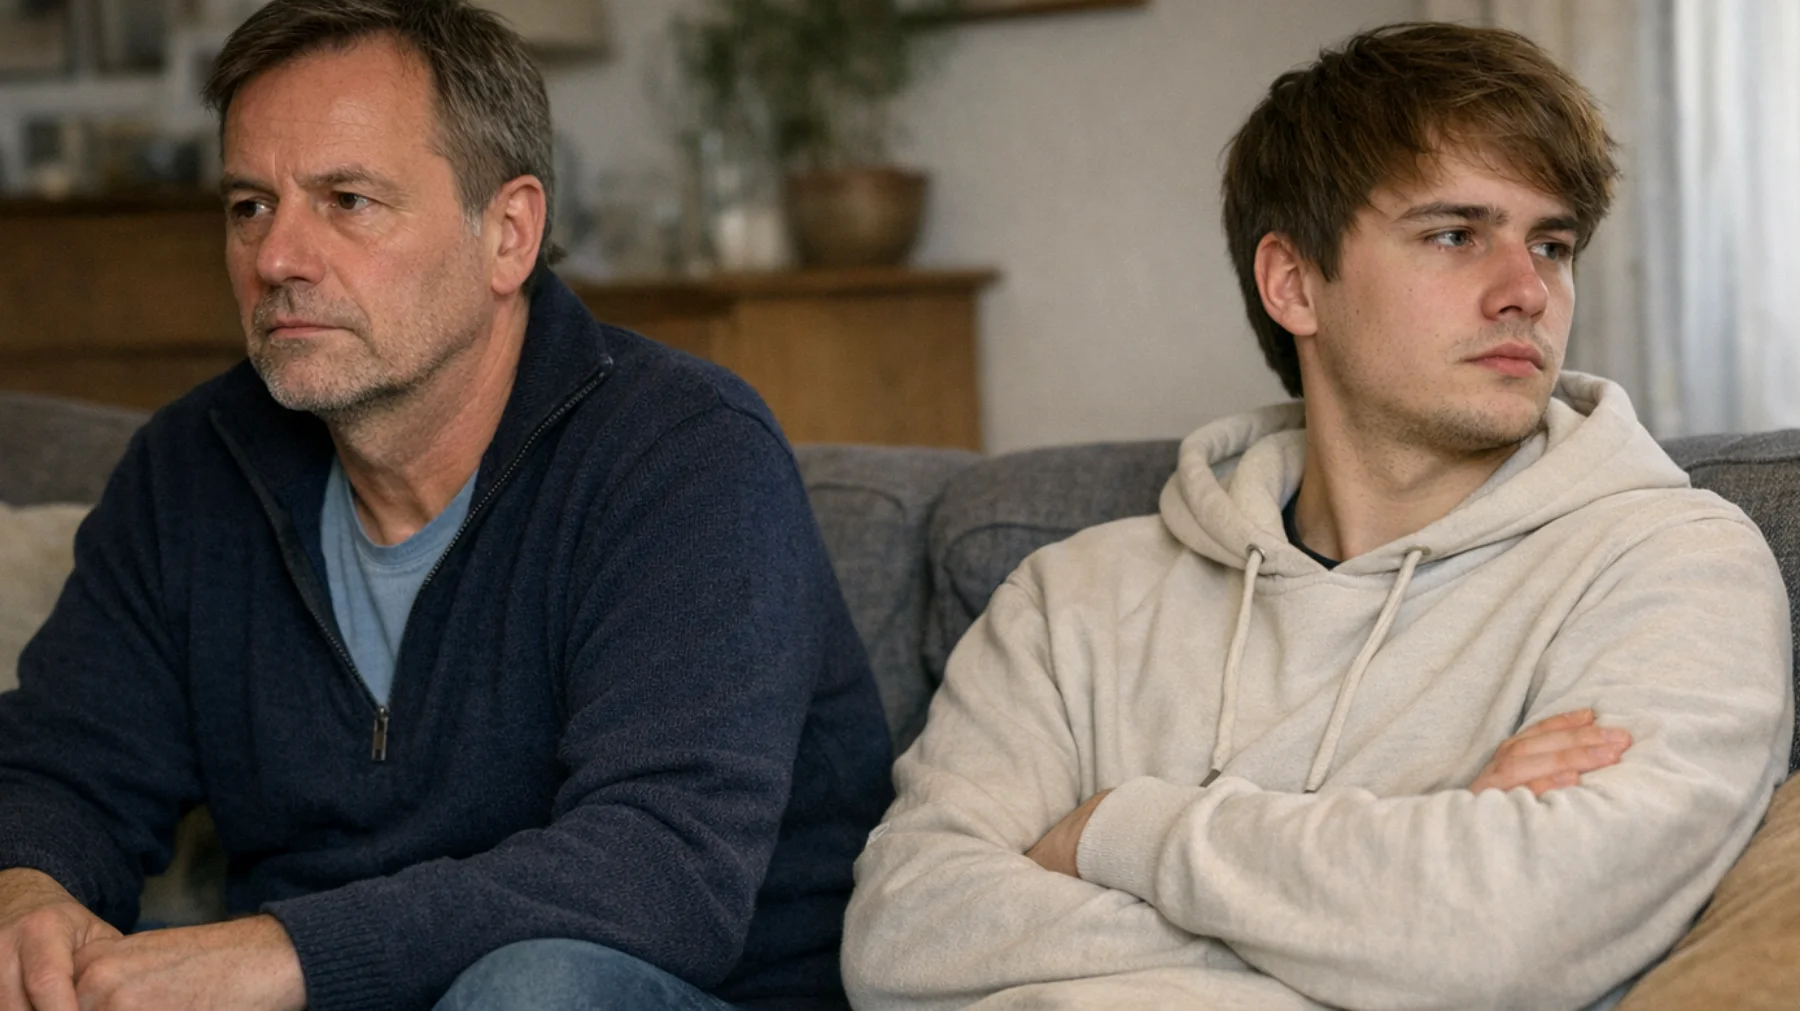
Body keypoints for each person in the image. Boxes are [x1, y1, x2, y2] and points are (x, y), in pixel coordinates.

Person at [842, 21, 1793, 1011]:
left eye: (1551, 245)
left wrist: (1113, 830)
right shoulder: (1070, 597)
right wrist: (1392, 905)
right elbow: (904, 938)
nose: (1526, 292)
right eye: (1455, 235)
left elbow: (1508, 932)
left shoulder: (1673, 566)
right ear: (1294, 284)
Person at [0, 2, 892, 1009]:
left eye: (346, 200)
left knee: (536, 989)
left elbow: (659, 872)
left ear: (509, 234)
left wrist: (280, 952)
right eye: (249, 205)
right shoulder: (190, 469)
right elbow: (62, 770)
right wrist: (29, 898)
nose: (276, 257)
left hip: (639, 990)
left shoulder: (684, 455)